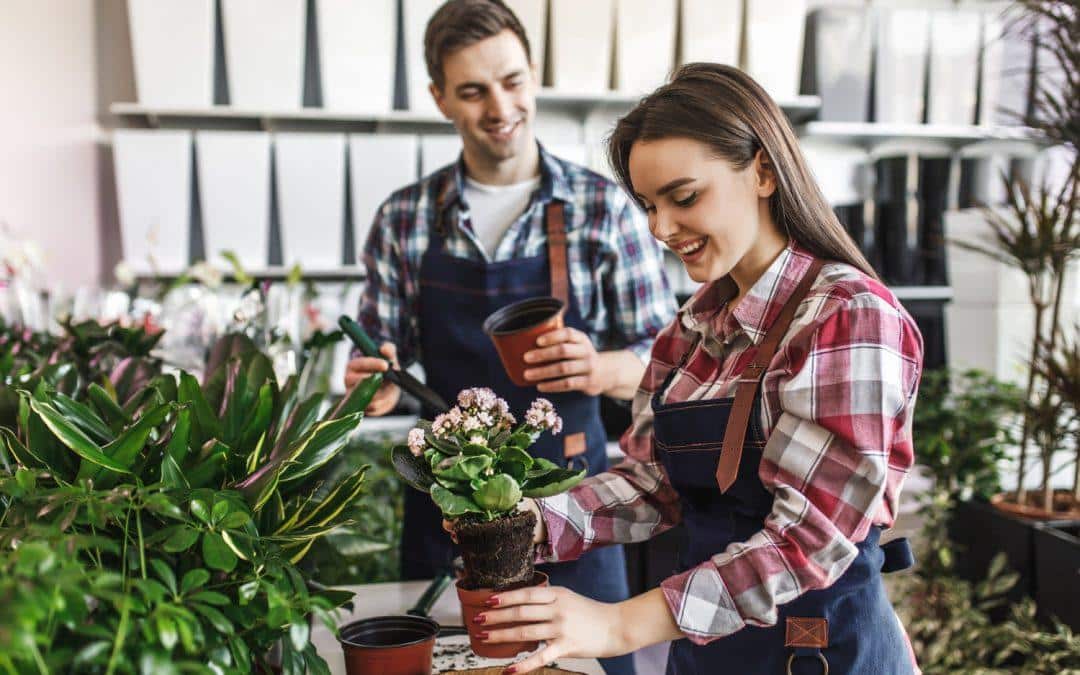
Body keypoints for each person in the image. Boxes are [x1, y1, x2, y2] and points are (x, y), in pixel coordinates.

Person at [472, 63, 925, 675]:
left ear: (763, 170)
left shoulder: (847, 318)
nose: (660, 228)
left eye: (683, 198)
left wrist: (618, 623)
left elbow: (806, 543)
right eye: (649, 205)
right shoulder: (688, 332)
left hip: (818, 652)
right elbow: (660, 482)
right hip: (710, 651)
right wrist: (535, 520)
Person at [344, 2, 674, 673]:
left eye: (512, 81)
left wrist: (600, 367)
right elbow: (376, 350)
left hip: (578, 515)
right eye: (473, 91)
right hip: (449, 515)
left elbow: (671, 369)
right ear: (439, 99)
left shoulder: (602, 209)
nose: (500, 106)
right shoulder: (404, 221)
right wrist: (369, 381)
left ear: (533, 75)